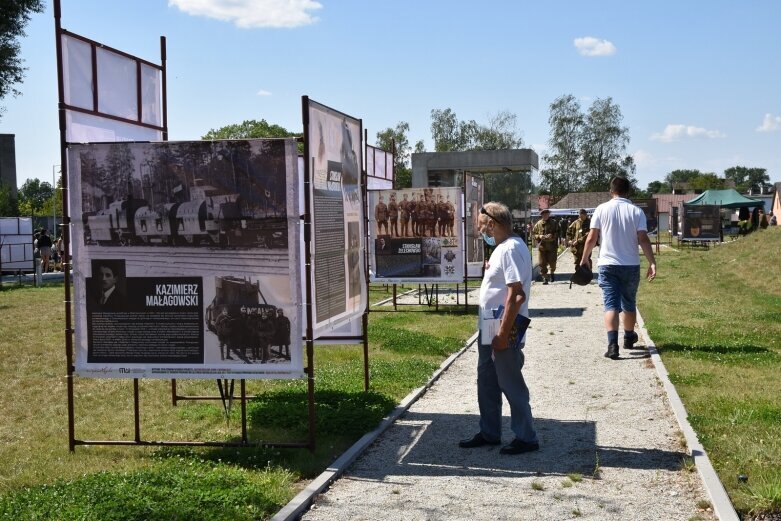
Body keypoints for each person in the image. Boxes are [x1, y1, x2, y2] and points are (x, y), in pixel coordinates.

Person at [459, 202, 539, 455]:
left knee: (510, 381)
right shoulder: (504, 248)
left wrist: (503, 334)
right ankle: (490, 431)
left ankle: (526, 436)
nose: (481, 232)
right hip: (490, 322)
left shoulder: (510, 249)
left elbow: (516, 295)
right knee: (487, 379)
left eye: (482, 227)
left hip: (502, 324)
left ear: (492, 224)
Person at [579, 177, 657, 360]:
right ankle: (629, 337)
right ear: (628, 191)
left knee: (610, 304)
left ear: (610, 190)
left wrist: (584, 258)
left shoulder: (601, 209)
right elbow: (643, 239)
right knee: (629, 302)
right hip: (630, 264)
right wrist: (652, 262)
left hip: (607, 264)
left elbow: (591, 238)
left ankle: (612, 345)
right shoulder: (636, 211)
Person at [533, 209, 558, 284]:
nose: (545, 216)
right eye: (544, 214)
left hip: (552, 247)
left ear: (549, 215)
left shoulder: (554, 223)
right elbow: (534, 234)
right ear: (542, 215)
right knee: (542, 263)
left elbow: (558, 232)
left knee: (552, 262)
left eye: (547, 214)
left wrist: (552, 235)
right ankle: (545, 278)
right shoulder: (538, 224)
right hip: (542, 247)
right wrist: (539, 236)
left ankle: (552, 273)